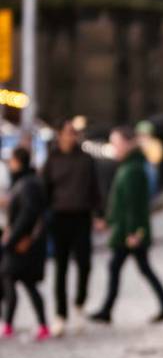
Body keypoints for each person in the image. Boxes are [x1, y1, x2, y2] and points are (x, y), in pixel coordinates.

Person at [89, 127, 163, 325]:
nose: (114, 147)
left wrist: (135, 232)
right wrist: (109, 221)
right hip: (126, 230)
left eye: (116, 142)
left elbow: (134, 205)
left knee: (124, 268)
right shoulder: (128, 166)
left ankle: (107, 310)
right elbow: (121, 203)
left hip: (129, 233)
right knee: (136, 268)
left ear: (127, 143)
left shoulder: (134, 168)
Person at [41, 119, 103, 336]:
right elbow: (45, 190)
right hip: (59, 217)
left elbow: (95, 188)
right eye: (67, 133)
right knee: (61, 268)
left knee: (84, 263)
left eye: (73, 133)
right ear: (60, 135)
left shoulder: (85, 159)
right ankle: (61, 314)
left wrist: (100, 214)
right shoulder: (52, 160)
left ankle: (80, 300)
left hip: (81, 216)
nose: (70, 137)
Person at [1, 147, 49, 341]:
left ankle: (9, 325)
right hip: (26, 243)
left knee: (9, 279)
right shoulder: (26, 182)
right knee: (24, 283)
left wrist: (12, 239)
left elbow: (28, 214)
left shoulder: (26, 184)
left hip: (24, 244)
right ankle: (39, 325)